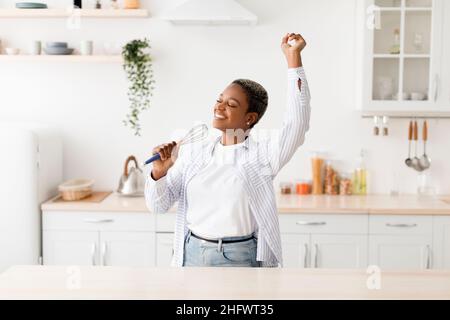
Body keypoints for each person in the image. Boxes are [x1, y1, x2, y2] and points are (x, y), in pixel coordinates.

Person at [145, 33, 311, 267]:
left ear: (250, 118)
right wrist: (158, 174)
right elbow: (157, 206)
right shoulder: (194, 152)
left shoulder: (264, 155)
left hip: (240, 258)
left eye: (231, 105)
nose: (219, 106)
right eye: (219, 99)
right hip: (191, 254)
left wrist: (293, 59)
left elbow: (297, 122)